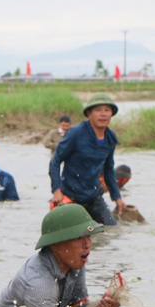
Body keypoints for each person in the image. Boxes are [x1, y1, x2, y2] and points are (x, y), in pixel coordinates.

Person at [0, 204, 119, 307]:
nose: (87, 245)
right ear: (55, 246)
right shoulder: (38, 283)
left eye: (89, 237)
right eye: (79, 238)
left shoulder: (76, 262)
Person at [50, 93, 126, 225]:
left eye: (107, 110)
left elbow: (108, 169)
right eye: (98, 110)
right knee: (75, 237)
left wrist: (117, 197)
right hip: (71, 195)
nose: (103, 114)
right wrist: (56, 190)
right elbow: (55, 161)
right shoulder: (75, 133)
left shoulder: (110, 138)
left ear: (111, 114)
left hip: (94, 197)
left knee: (111, 230)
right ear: (89, 114)